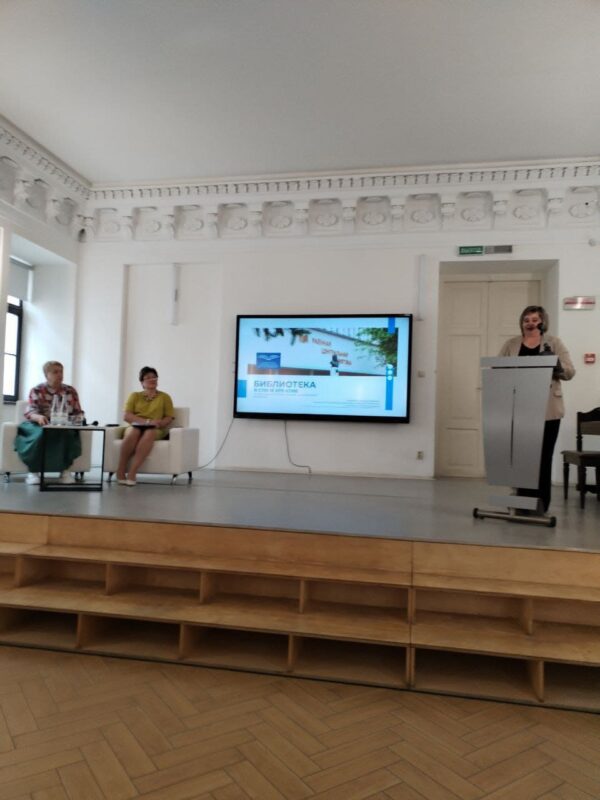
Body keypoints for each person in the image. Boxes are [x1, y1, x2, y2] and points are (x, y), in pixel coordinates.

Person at [499, 305, 575, 513]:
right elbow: (498, 368)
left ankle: (540, 504)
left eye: (534, 320)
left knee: (543, 457)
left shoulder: (554, 343)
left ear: (542, 322)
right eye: (526, 320)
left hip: (547, 409)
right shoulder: (511, 344)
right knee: (522, 457)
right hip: (520, 408)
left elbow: (570, 371)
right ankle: (522, 502)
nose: (530, 323)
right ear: (522, 323)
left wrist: (557, 366)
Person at [15, 361, 83, 485]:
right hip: (39, 423)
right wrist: (39, 417)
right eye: (55, 372)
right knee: (40, 434)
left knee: (67, 434)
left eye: (61, 371)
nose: (60, 374)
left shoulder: (70, 391)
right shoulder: (37, 390)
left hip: (64, 425)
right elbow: (31, 411)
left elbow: (78, 411)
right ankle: (33, 472)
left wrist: (77, 419)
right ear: (47, 375)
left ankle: (65, 472)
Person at [116, 366, 174, 486]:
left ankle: (132, 472)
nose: (152, 379)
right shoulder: (134, 396)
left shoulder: (165, 397)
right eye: (148, 377)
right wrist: (147, 422)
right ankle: (120, 469)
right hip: (136, 426)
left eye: (154, 377)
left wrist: (159, 423)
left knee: (150, 432)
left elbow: (169, 417)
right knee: (135, 431)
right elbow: (127, 416)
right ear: (142, 382)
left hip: (155, 428)